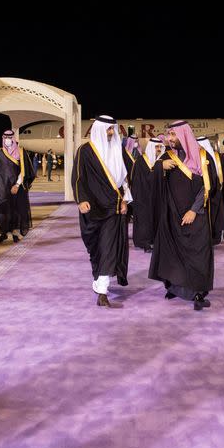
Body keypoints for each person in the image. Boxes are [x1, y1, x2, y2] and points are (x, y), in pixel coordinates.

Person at [150, 121, 218, 310]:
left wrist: (193, 210)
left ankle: (198, 293)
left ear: (184, 135)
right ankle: (175, 287)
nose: (170, 140)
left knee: (198, 254)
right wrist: (160, 168)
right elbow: (148, 180)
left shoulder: (203, 157)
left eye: (173, 135)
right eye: (168, 135)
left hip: (196, 216)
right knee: (173, 255)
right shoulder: (166, 157)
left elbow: (208, 186)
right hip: (172, 216)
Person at [71, 116, 132, 307]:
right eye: (108, 130)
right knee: (95, 248)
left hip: (113, 209)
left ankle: (103, 291)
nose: (111, 133)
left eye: (112, 129)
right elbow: (78, 178)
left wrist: (125, 200)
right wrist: (81, 200)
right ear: (99, 130)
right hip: (92, 209)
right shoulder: (85, 151)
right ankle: (98, 278)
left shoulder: (119, 149)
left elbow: (125, 179)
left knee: (108, 248)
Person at [0, 130, 35, 243]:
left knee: (16, 211)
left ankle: (15, 233)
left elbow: (24, 170)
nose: (7, 139)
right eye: (5, 137)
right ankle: (4, 232)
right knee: (2, 210)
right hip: (2, 188)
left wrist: (17, 184)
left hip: (16, 187)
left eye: (10, 137)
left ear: (13, 138)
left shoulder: (21, 151)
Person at [131, 137, 165, 252]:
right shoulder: (141, 161)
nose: (159, 149)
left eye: (160, 147)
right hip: (144, 198)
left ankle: (158, 241)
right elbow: (136, 181)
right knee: (145, 220)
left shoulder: (164, 161)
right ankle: (144, 242)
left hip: (160, 197)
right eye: (156, 147)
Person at [197, 135, 224, 245]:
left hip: (214, 194)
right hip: (203, 194)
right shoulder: (199, 157)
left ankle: (215, 238)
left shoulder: (216, 157)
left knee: (215, 216)